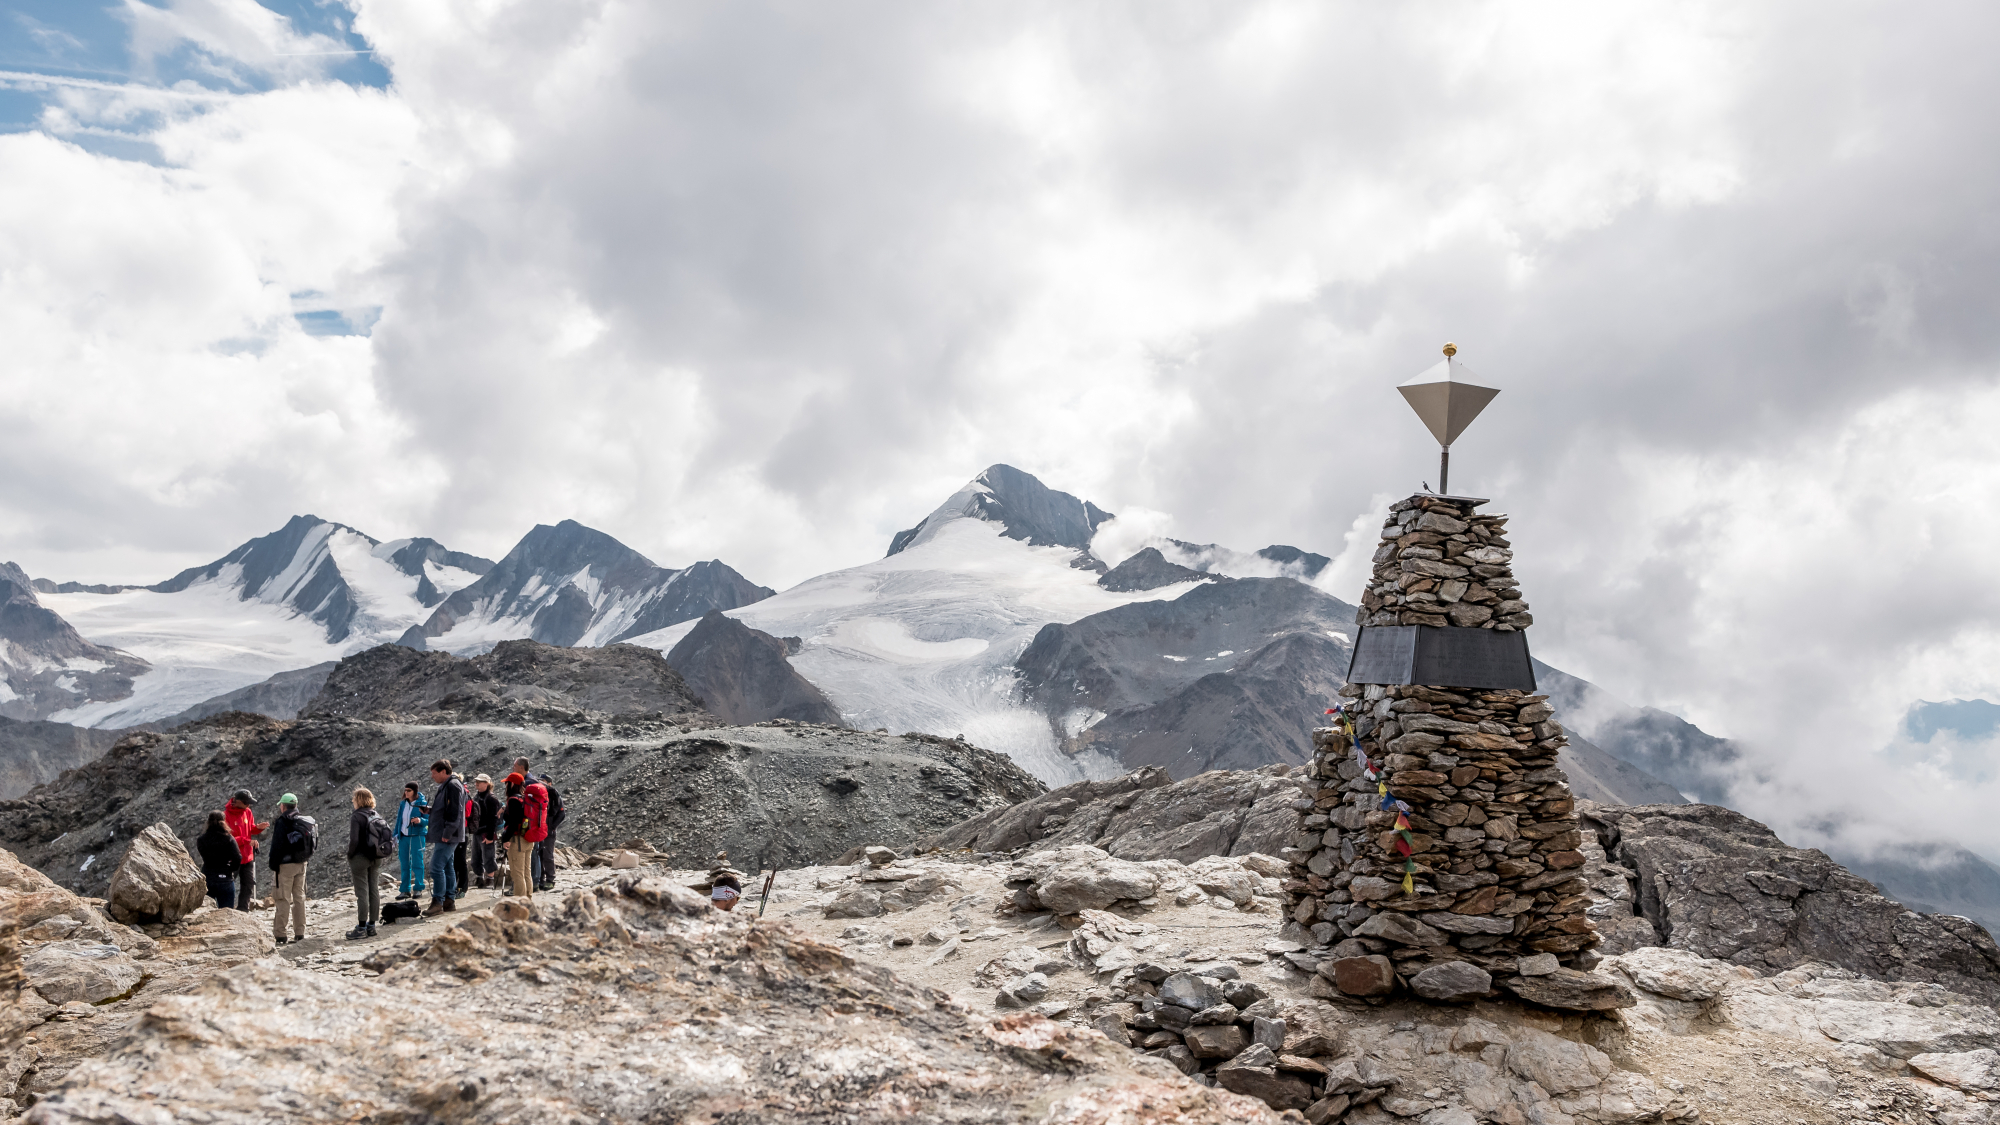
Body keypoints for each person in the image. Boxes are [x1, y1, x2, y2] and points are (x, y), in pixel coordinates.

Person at [267, 794, 316, 944]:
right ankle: (300, 932)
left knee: (283, 898)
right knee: (299, 897)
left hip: (285, 866)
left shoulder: (282, 821)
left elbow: (277, 845)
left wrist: (273, 864)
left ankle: (281, 934)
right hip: (302, 864)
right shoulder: (303, 820)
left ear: (283, 806)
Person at [424, 760, 465, 916]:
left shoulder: (453, 786)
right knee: (447, 867)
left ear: (443, 772)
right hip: (446, 833)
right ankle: (449, 900)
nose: (432, 776)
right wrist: (430, 811)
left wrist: (448, 833)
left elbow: (455, 812)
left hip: (447, 835)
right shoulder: (448, 785)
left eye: (434, 773)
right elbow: (446, 809)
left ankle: (438, 902)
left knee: (436, 867)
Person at [511, 756, 557, 891]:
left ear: (521, 767)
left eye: (515, 766)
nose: (513, 768)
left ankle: (533, 882)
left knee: (532, 853)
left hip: (528, 825)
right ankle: (535, 882)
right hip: (535, 824)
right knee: (534, 852)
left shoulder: (528, 783)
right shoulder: (535, 783)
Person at [346, 787, 386, 940]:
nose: (352, 801)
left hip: (360, 857)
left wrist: (350, 854)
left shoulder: (357, 816)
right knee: (373, 889)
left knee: (362, 891)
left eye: (354, 798)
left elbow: (354, 840)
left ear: (359, 800)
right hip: (376, 856)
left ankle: (361, 927)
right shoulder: (375, 814)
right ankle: (371, 926)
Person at [222, 789, 267, 911]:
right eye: (246, 802)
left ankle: (243, 910)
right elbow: (227, 839)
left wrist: (257, 828)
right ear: (237, 801)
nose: (248, 805)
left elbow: (250, 828)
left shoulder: (247, 811)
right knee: (228, 884)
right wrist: (246, 841)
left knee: (248, 884)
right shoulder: (225, 816)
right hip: (233, 857)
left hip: (248, 856)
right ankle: (226, 909)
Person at [195, 810, 240, 909]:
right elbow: (237, 857)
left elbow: (204, 854)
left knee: (206, 912)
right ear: (224, 821)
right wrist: (230, 869)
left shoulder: (202, 839)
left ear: (208, 822)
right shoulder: (229, 839)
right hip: (225, 878)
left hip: (208, 877)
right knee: (226, 913)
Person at [499, 773, 532, 898]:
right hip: (528, 838)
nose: (506, 785)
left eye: (507, 782)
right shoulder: (524, 798)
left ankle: (520, 904)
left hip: (517, 840)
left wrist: (506, 839)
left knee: (518, 873)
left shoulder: (513, 800)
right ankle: (528, 900)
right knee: (526, 872)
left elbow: (513, 823)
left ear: (512, 784)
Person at [395, 784, 428, 900]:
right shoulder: (403, 803)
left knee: (417, 862)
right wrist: (396, 834)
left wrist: (420, 820)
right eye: (405, 791)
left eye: (409, 790)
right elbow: (399, 819)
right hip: (404, 835)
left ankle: (418, 888)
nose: (406, 793)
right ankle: (405, 889)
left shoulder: (422, 803)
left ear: (415, 791)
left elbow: (429, 819)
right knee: (404, 863)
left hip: (417, 835)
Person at [468, 775, 501, 889]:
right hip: (477, 831)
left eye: (480, 782)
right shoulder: (477, 796)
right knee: (476, 856)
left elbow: (493, 819)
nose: (476, 783)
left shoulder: (491, 799)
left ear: (486, 783)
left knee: (488, 855)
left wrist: (490, 836)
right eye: (476, 781)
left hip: (486, 831)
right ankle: (480, 877)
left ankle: (490, 879)